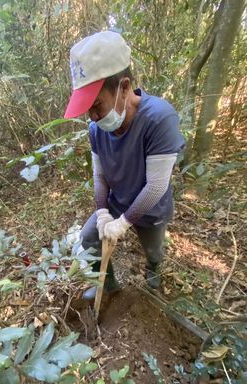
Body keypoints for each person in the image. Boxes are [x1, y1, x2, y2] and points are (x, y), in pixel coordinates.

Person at [64, 30, 185, 301]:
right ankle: (106, 285)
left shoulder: (159, 119)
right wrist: (103, 212)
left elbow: (155, 186)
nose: (93, 116)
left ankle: (153, 270)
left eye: (97, 105)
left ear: (124, 87)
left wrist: (125, 223)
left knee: (153, 249)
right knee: (89, 237)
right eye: (88, 110)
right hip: (118, 199)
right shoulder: (97, 128)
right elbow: (100, 174)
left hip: (151, 208)